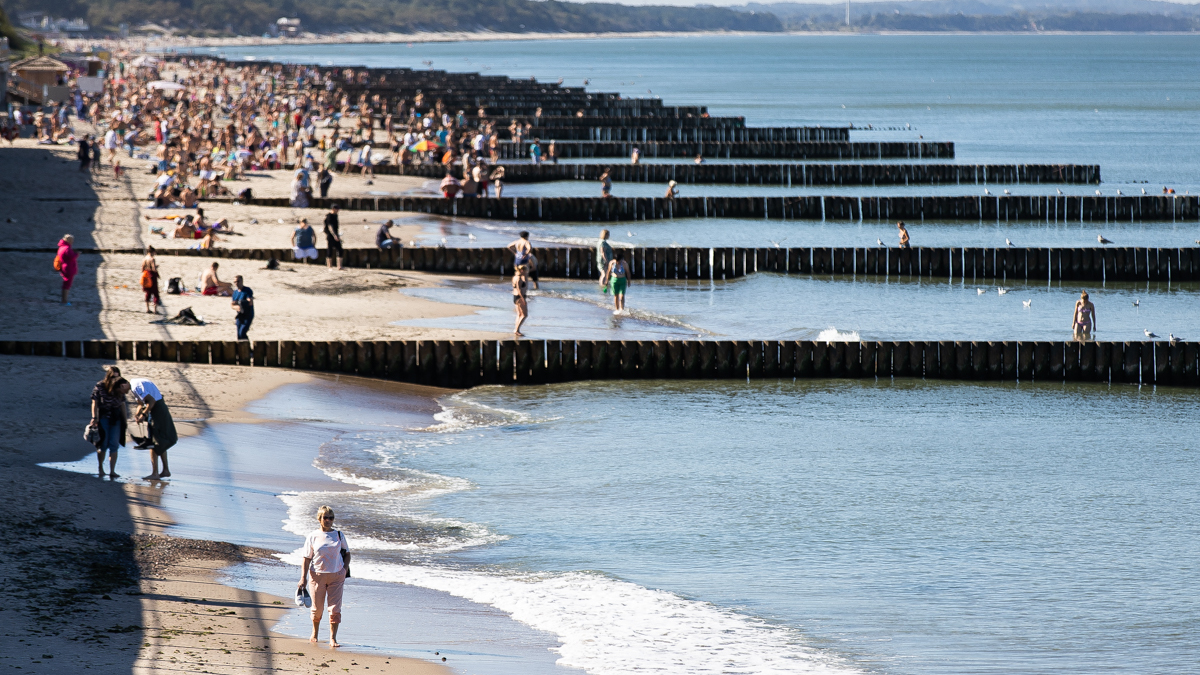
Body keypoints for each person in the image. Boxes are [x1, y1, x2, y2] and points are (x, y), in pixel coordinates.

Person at [298, 506, 350, 648]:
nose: (328, 520)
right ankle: (315, 633)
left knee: (335, 608)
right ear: (319, 519)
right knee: (317, 608)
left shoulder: (339, 535)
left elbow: (348, 553)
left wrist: (344, 570)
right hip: (317, 576)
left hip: (336, 576)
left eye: (331, 518)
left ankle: (333, 638)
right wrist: (303, 577)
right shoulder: (313, 536)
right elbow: (306, 558)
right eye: (325, 517)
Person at [130, 377, 177, 480]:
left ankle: (155, 473)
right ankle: (165, 470)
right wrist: (137, 414)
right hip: (159, 408)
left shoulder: (136, 387)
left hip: (158, 410)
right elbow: (140, 404)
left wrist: (143, 414)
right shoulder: (136, 384)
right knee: (158, 440)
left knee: (153, 442)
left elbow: (151, 401)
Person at [89, 366, 129, 478]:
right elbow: (94, 403)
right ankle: (100, 468)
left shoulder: (120, 387)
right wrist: (94, 417)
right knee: (103, 444)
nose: (114, 380)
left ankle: (112, 471)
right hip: (103, 417)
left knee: (114, 444)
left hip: (116, 418)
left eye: (117, 377)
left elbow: (122, 404)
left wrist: (125, 421)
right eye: (113, 377)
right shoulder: (100, 386)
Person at [56, 234, 79, 305]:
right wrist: (77, 254)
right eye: (72, 240)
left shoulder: (61, 247)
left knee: (65, 284)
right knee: (67, 285)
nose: (72, 242)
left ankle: (64, 300)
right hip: (68, 268)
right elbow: (71, 257)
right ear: (68, 240)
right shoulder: (67, 248)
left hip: (64, 267)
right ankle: (64, 301)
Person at [231, 275, 254, 340]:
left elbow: (250, 302)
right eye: (235, 282)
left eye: (238, 281)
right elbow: (232, 305)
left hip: (248, 314)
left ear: (242, 281)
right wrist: (237, 307)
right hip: (240, 315)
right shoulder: (235, 292)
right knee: (238, 335)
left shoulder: (247, 290)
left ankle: (248, 349)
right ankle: (242, 349)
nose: (236, 283)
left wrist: (241, 303)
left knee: (242, 332)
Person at [141, 246, 162, 313]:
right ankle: (155, 310)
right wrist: (156, 269)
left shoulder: (144, 258)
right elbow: (153, 269)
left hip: (146, 275)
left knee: (148, 293)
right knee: (155, 293)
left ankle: (147, 309)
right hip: (152, 276)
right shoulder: (152, 259)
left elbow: (142, 268)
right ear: (152, 252)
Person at [324, 205, 343, 270]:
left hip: (336, 234)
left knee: (340, 249)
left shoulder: (336, 216)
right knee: (330, 250)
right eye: (337, 209)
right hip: (330, 235)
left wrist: (337, 235)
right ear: (333, 209)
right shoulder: (329, 216)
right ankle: (329, 266)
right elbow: (330, 227)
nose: (338, 210)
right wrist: (334, 235)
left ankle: (339, 266)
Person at [512, 264, 530, 336]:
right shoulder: (519, 279)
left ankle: (516, 329)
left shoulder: (515, 277)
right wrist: (523, 299)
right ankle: (517, 330)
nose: (526, 272)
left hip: (515, 297)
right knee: (524, 315)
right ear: (522, 270)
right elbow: (519, 290)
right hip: (520, 297)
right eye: (525, 271)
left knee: (519, 314)